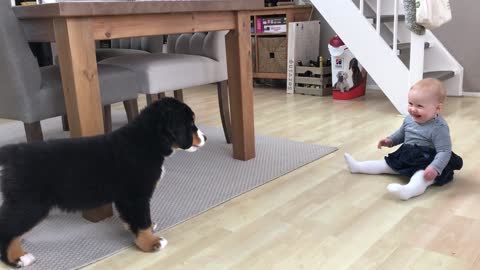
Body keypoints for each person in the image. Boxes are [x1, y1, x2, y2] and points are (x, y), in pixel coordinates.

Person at [344, 78, 463, 200]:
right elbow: (402, 134)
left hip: (427, 161)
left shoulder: (439, 128)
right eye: (410, 103)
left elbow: (444, 151)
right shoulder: (409, 119)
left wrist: (435, 167)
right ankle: (357, 166)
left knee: (421, 177)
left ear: (437, 108)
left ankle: (408, 191)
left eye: (419, 106)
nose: (412, 109)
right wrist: (390, 140)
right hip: (407, 155)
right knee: (385, 165)